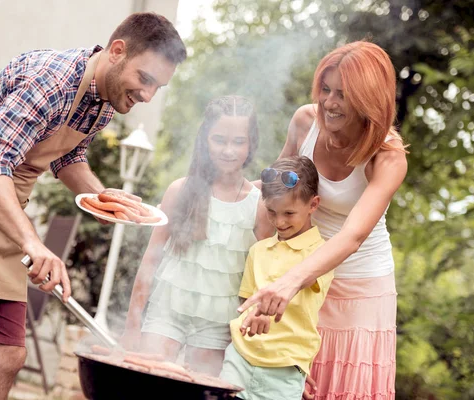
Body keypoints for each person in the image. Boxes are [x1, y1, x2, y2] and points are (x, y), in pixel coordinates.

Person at [0, 12, 186, 400]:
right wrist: (34, 244)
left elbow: (66, 156)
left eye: (158, 86)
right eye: (145, 79)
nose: (147, 96)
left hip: (0, 206)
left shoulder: (104, 98)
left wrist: (103, 196)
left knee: (7, 356)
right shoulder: (50, 81)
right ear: (118, 52)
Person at [237, 41, 408, 399]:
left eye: (343, 95)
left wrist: (289, 283)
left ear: (369, 99)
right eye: (326, 90)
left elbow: (352, 237)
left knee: (340, 388)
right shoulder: (304, 122)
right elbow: (273, 190)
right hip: (296, 272)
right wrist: (211, 191)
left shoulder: (388, 157)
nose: (329, 102)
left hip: (357, 288)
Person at [122, 95, 273, 376]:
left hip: (217, 324)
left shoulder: (259, 206)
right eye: (219, 139)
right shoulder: (180, 191)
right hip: (166, 312)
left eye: (238, 141)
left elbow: (259, 278)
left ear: (251, 143)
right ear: (205, 138)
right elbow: (150, 261)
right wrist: (132, 324)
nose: (228, 150)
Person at [219, 156, 333, 400]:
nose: (279, 222)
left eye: (289, 213)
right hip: (239, 357)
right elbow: (245, 304)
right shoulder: (257, 250)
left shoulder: (322, 255)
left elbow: (296, 289)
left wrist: (295, 371)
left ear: (313, 205)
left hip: (283, 369)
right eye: (271, 211)